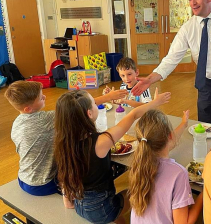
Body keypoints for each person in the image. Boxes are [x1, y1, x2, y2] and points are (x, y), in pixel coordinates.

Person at [54, 88, 170, 224]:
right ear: (89, 113)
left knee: (116, 211)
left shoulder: (63, 143)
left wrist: (68, 202)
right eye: (94, 103)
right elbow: (132, 115)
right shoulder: (101, 142)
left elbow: (64, 176)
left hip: (80, 205)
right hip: (102, 209)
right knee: (137, 192)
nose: (96, 104)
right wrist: (155, 102)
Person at [4, 80, 128, 196]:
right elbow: (77, 108)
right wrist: (108, 97)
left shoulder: (16, 123)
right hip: (44, 183)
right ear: (28, 108)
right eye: (41, 97)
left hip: (24, 178)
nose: (45, 97)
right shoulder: (45, 119)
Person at [129, 109, 203, 224]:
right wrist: (205, 192)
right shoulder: (178, 173)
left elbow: (167, 144)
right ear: (169, 136)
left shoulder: (138, 163)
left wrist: (184, 124)